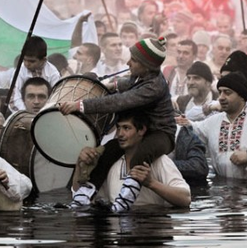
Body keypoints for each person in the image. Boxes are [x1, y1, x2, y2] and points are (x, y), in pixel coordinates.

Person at [60, 37, 175, 212]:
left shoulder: (154, 86)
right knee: (108, 151)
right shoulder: (142, 76)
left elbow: (119, 102)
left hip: (161, 134)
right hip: (140, 131)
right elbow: (127, 83)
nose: (128, 62)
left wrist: (80, 105)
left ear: (147, 66)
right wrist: (110, 84)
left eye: (134, 60)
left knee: (141, 155)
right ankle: (86, 193)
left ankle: (126, 199)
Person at [71, 111, 190, 210]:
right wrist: (79, 165)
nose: (120, 134)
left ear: (141, 130)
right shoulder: (111, 162)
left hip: (152, 230)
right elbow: (79, 197)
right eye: (118, 128)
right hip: (118, 231)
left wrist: (151, 183)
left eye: (126, 128)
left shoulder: (160, 161)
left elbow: (185, 198)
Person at [8, 36, 60, 112]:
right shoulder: (19, 71)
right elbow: (15, 98)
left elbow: (56, 98)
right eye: (24, 60)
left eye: (32, 61)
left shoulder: (53, 73)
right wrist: (26, 114)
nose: (27, 64)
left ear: (43, 60)